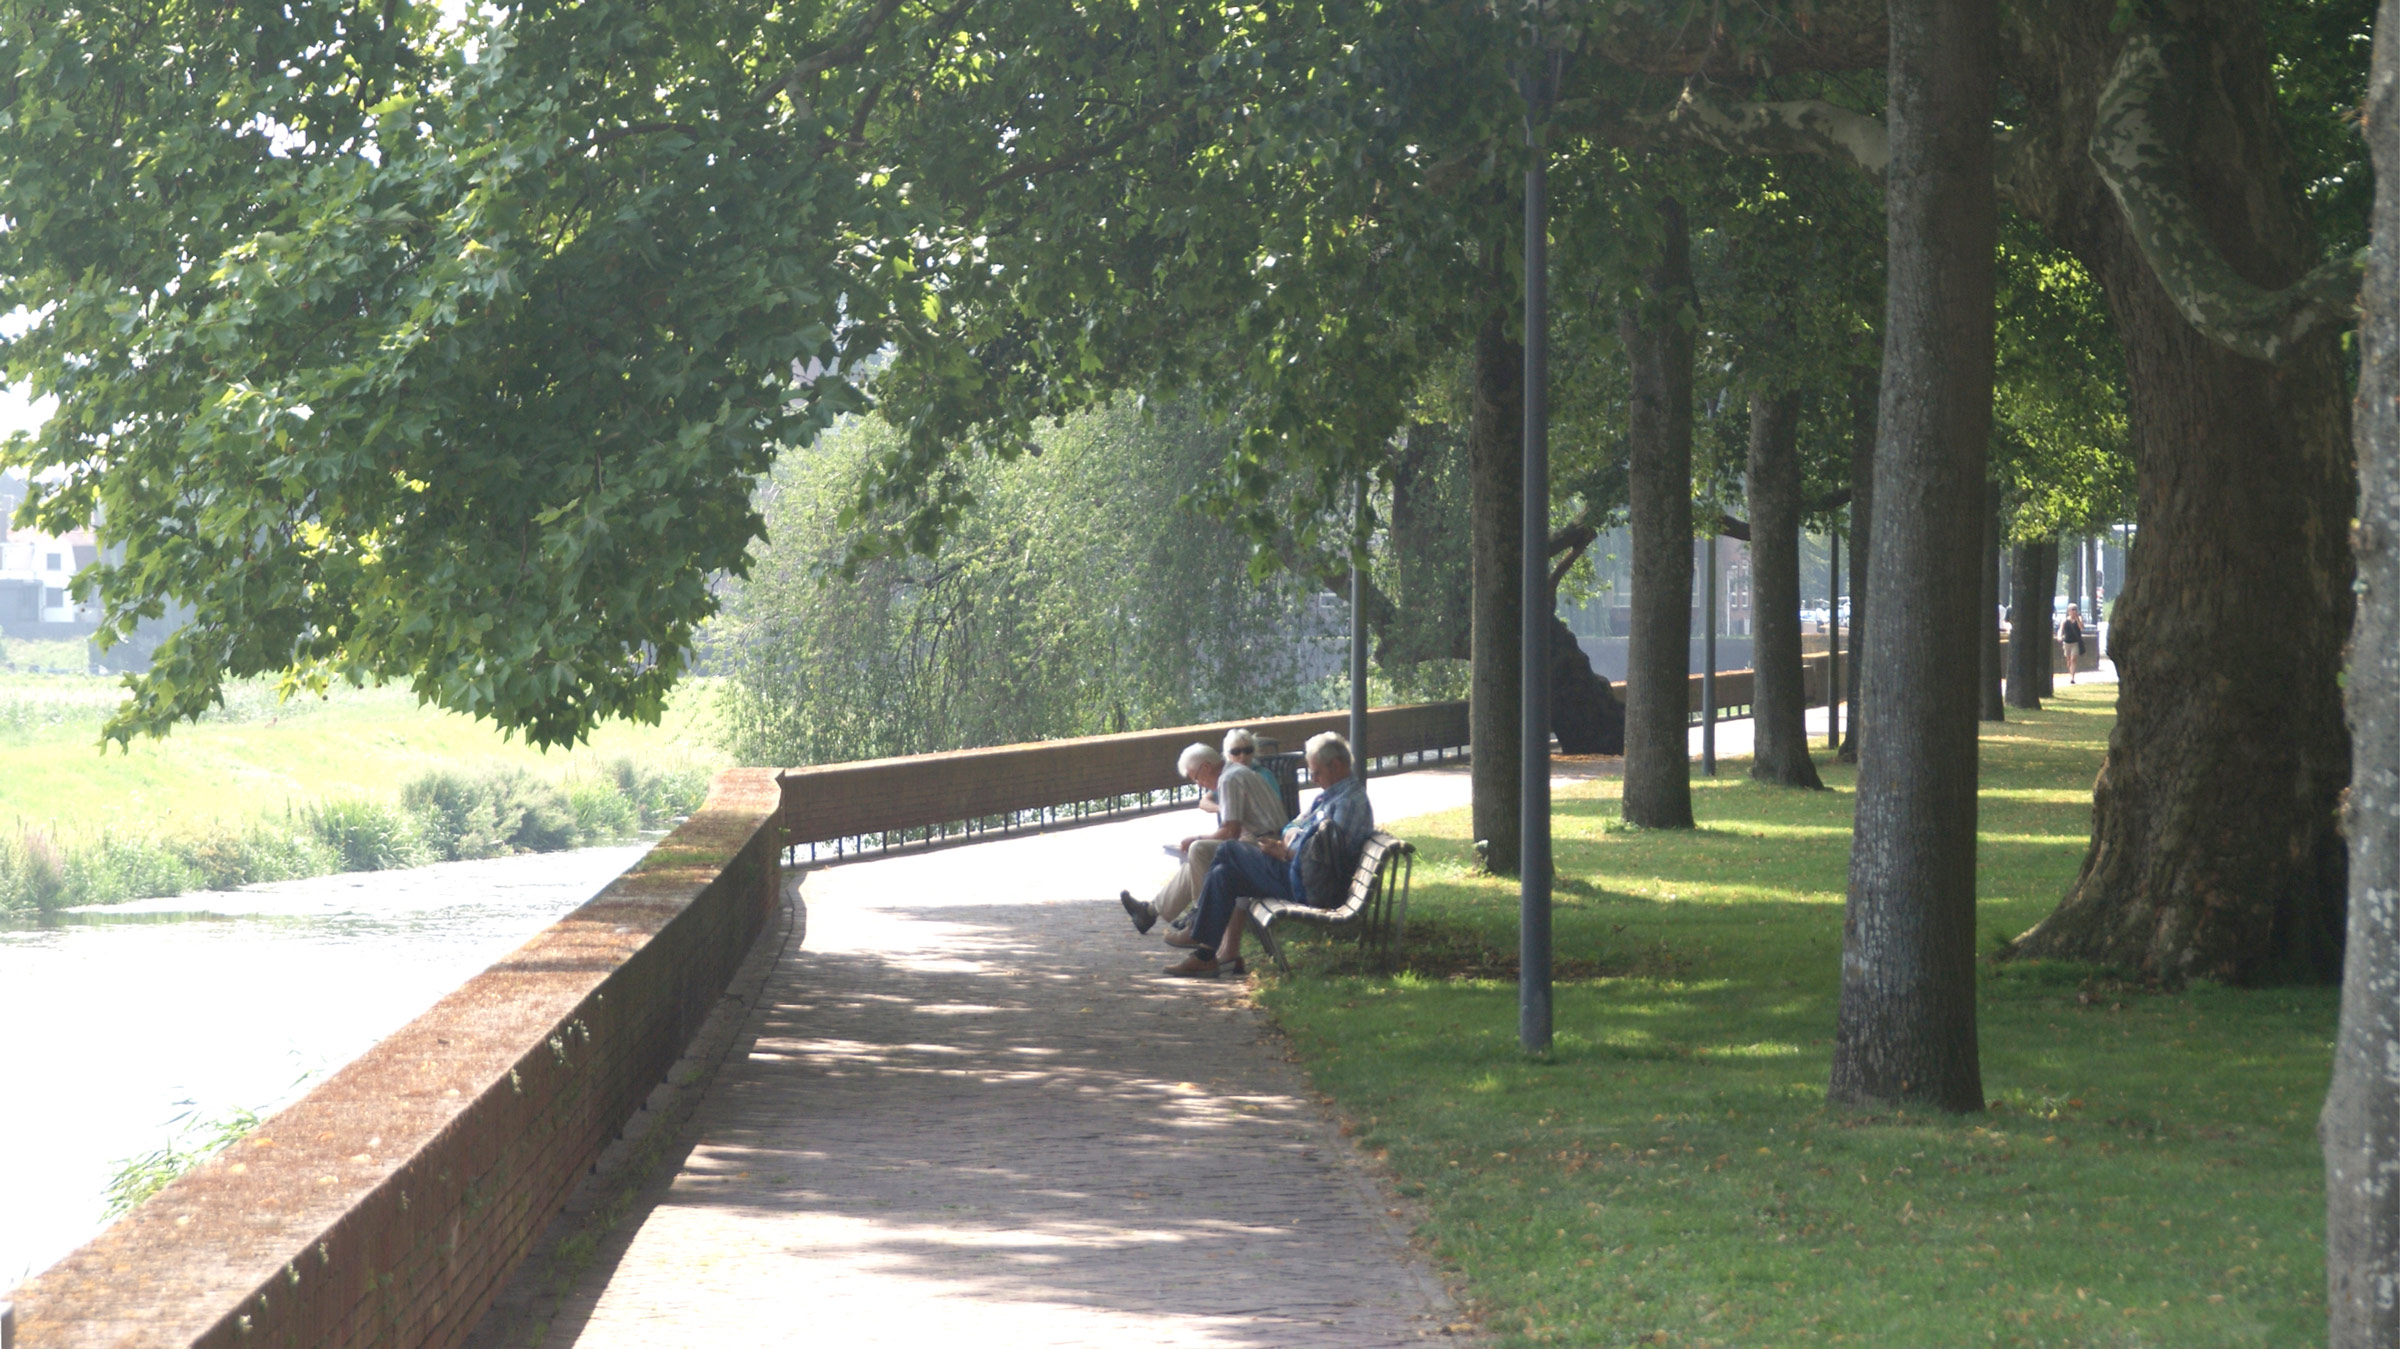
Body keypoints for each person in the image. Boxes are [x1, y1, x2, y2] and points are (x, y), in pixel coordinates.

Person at [1164, 731, 1372, 978]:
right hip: (1301, 872)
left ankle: (1199, 934)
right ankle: (1205, 955)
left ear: (1336, 765)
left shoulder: (1347, 803)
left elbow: (1331, 858)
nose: (1313, 778)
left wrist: (1287, 851)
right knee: (1225, 872)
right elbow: (1293, 825)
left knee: (1229, 849)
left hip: (1313, 884)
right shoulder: (1331, 796)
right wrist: (1288, 842)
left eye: (1316, 772)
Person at [1120, 730, 1288, 936]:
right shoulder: (1236, 773)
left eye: (1196, 778)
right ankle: (1149, 913)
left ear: (1206, 767)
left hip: (1266, 848)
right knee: (1197, 855)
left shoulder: (1229, 779)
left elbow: (1230, 832)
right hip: (1265, 843)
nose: (1198, 784)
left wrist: (1198, 838)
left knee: (1199, 849)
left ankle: (1200, 921)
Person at [2059, 604, 2087, 683]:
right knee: (2068, 660)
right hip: (2067, 643)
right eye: (2072, 609)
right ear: (2069, 611)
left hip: (2075, 642)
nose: (2074, 611)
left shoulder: (2079, 619)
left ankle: (2072, 677)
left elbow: (2081, 627)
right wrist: (2059, 636)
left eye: (2075, 609)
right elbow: (2061, 630)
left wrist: (2077, 619)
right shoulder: (2065, 620)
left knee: (2073, 659)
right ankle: (2071, 673)